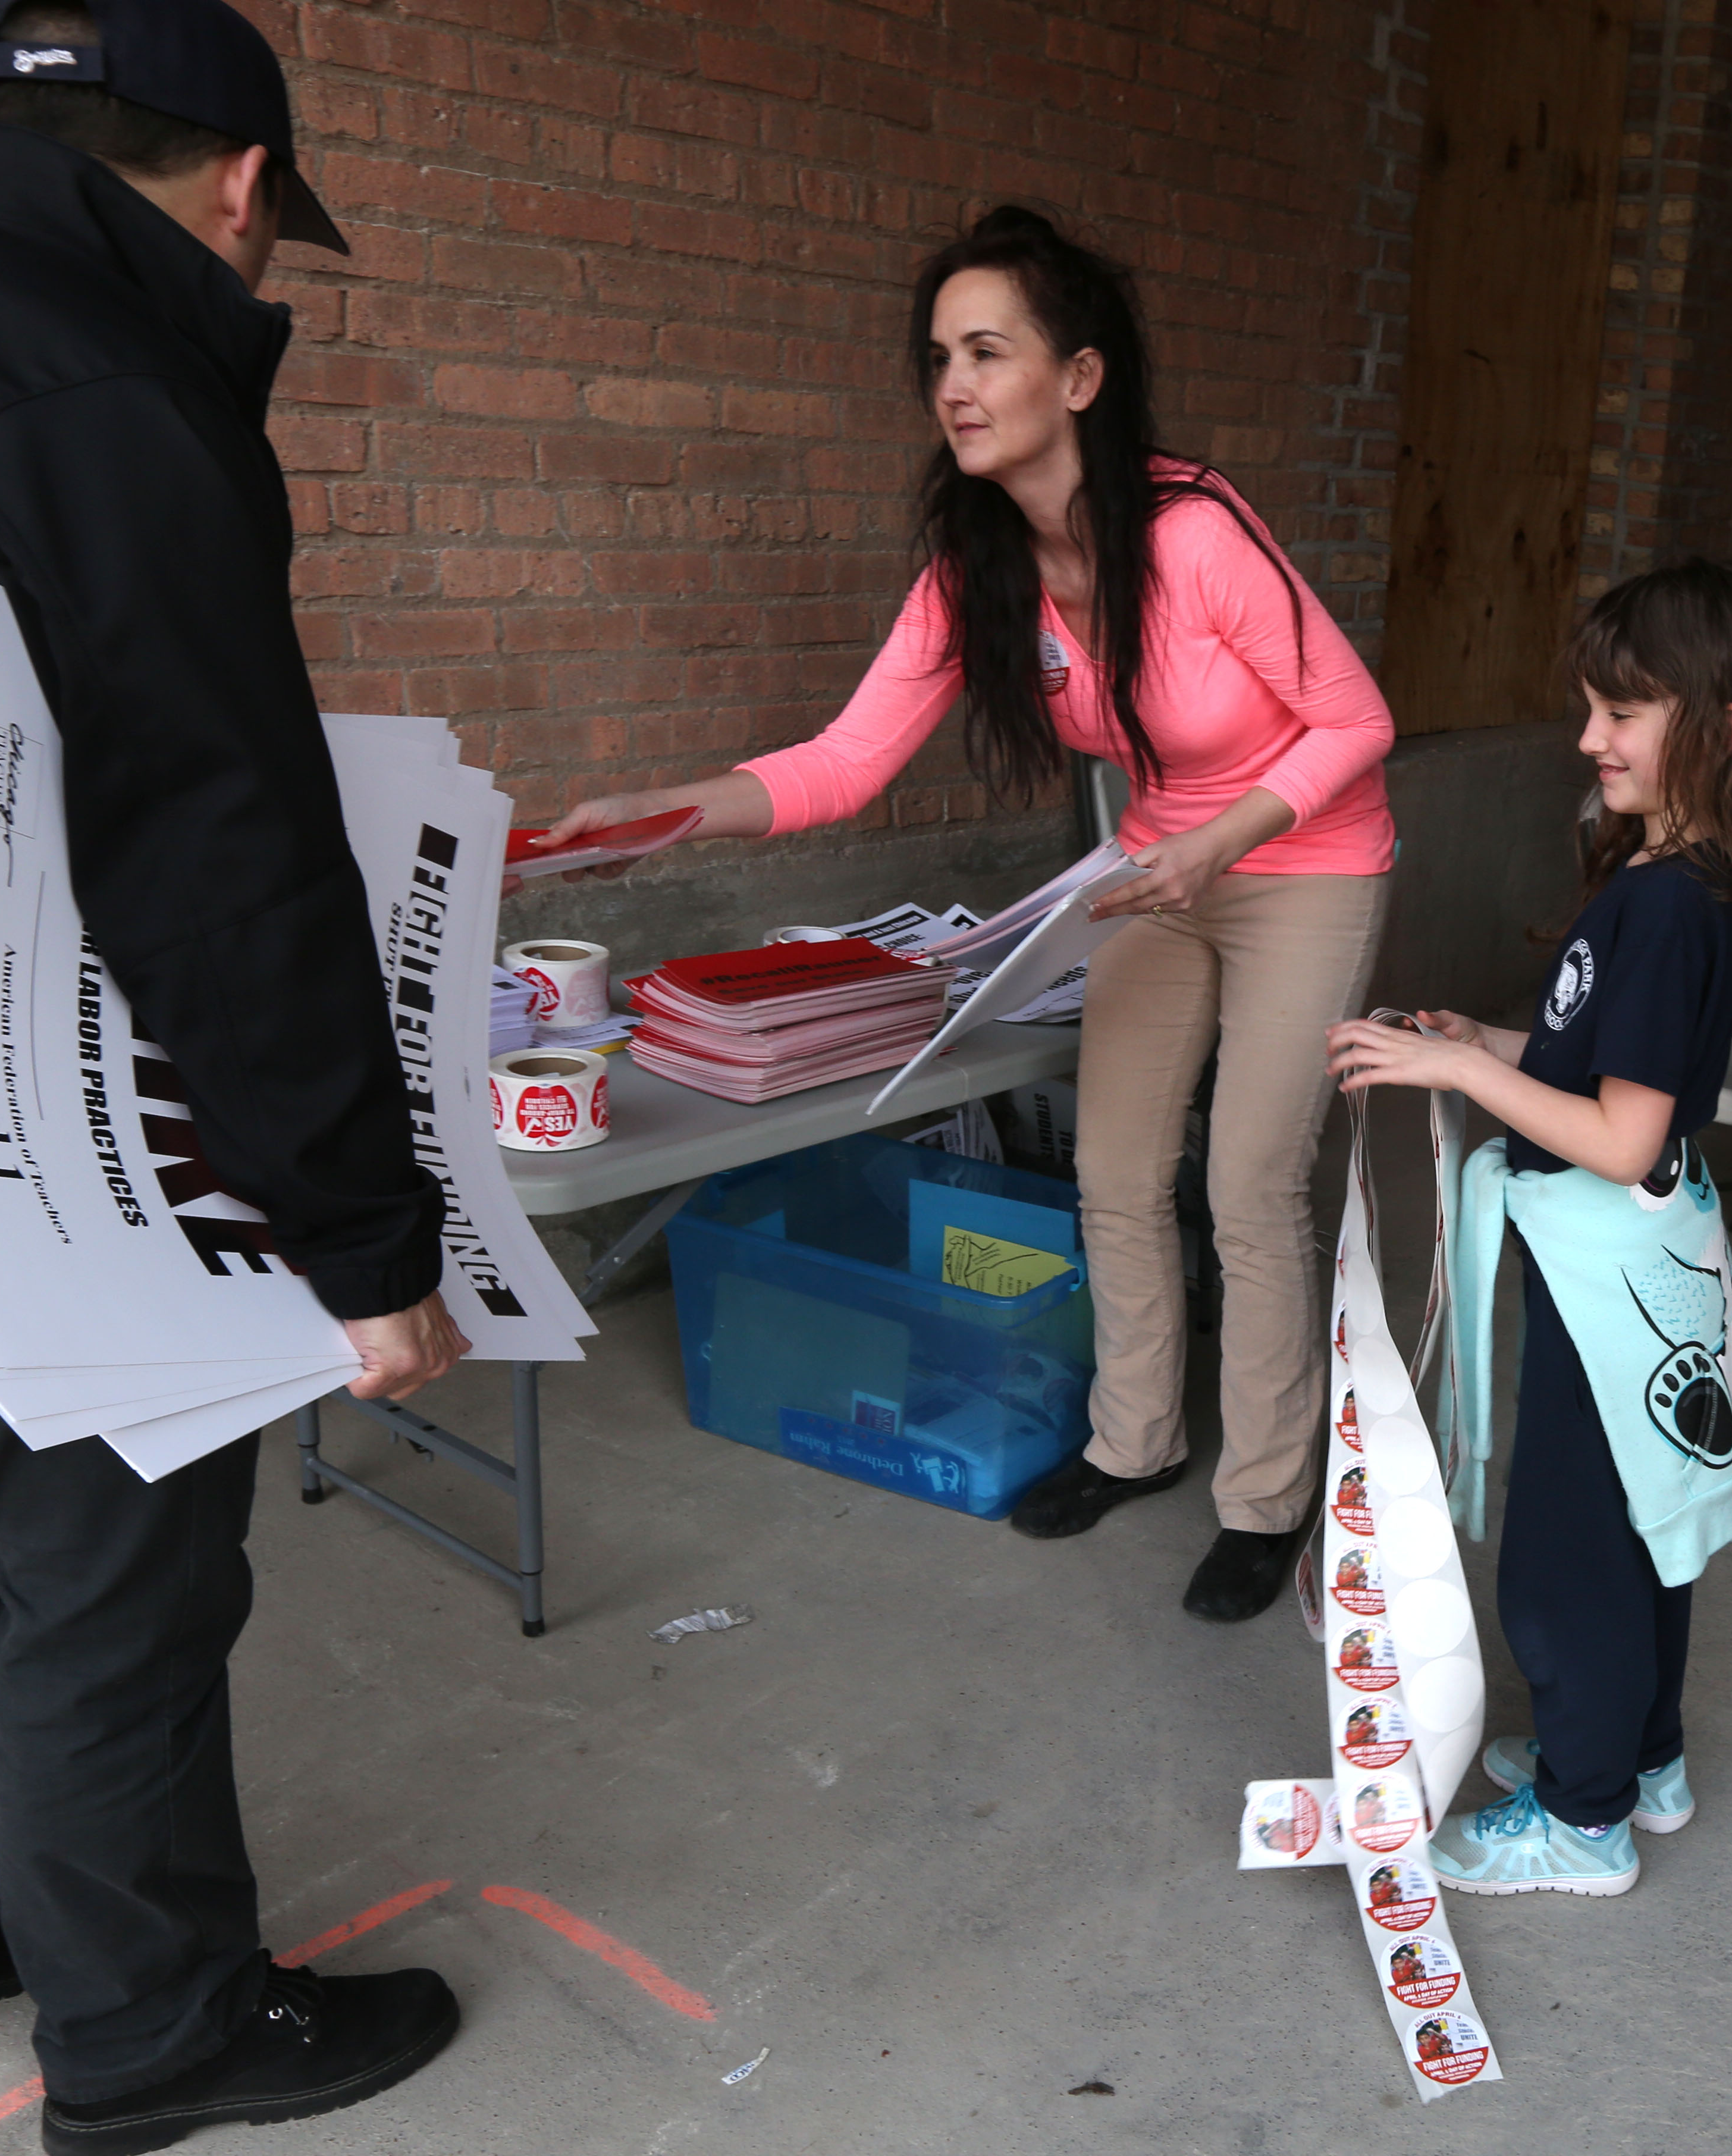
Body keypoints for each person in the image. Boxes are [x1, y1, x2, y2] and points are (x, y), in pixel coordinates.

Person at [0, 1, 469, 2144]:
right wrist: (364, 1240)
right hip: (3, 1121)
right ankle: (153, 2023)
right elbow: (218, 856)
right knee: (118, 1541)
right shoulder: (106, 389)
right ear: (241, 185)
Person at [539, 208, 1395, 1622]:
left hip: (1303, 865)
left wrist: (1219, 843)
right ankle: (1133, 1442)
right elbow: (841, 764)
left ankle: (1266, 1497)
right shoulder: (976, 564)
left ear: (1080, 378)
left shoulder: (1193, 534)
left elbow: (1357, 719)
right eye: (939, 357)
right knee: (1115, 1172)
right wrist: (653, 812)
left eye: (987, 351)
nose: (954, 384)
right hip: (1156, 873)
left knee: (1249, 1185)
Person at [1325, 560, 1732, 1895]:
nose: (1589, 738)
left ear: (1720, 727)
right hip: (1641, 1259)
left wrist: (1456, 1072)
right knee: (1644, 1521)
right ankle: (1640, 1759)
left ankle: (1583, 1819)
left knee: (1568, 1554)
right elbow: (1603, 1074)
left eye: (1623, 714)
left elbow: (1620, 1137)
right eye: (1590, 709)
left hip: (1611, 1273)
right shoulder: (1682, 877)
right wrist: (1485, 1041)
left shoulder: (1662, 905)